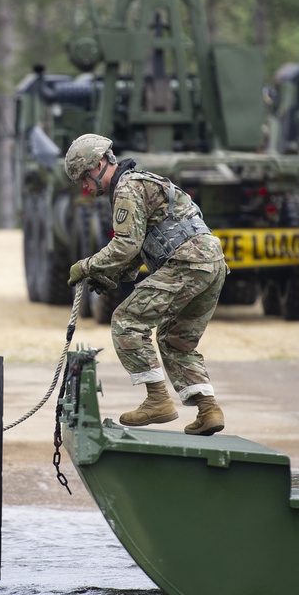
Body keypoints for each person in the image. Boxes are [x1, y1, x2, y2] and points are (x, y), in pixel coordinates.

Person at [64, 134, 228, 436]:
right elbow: (140, 249)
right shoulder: (142, 182)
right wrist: (110, 276)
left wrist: (86, 266)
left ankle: (157, 400)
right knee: (175, 339)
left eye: (84, 179)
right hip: (211, 264)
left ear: (99, 165)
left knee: (127, 321)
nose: (85, 189)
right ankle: (208, 410)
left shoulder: (126, 188)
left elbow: (126, 245)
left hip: (187, 262)